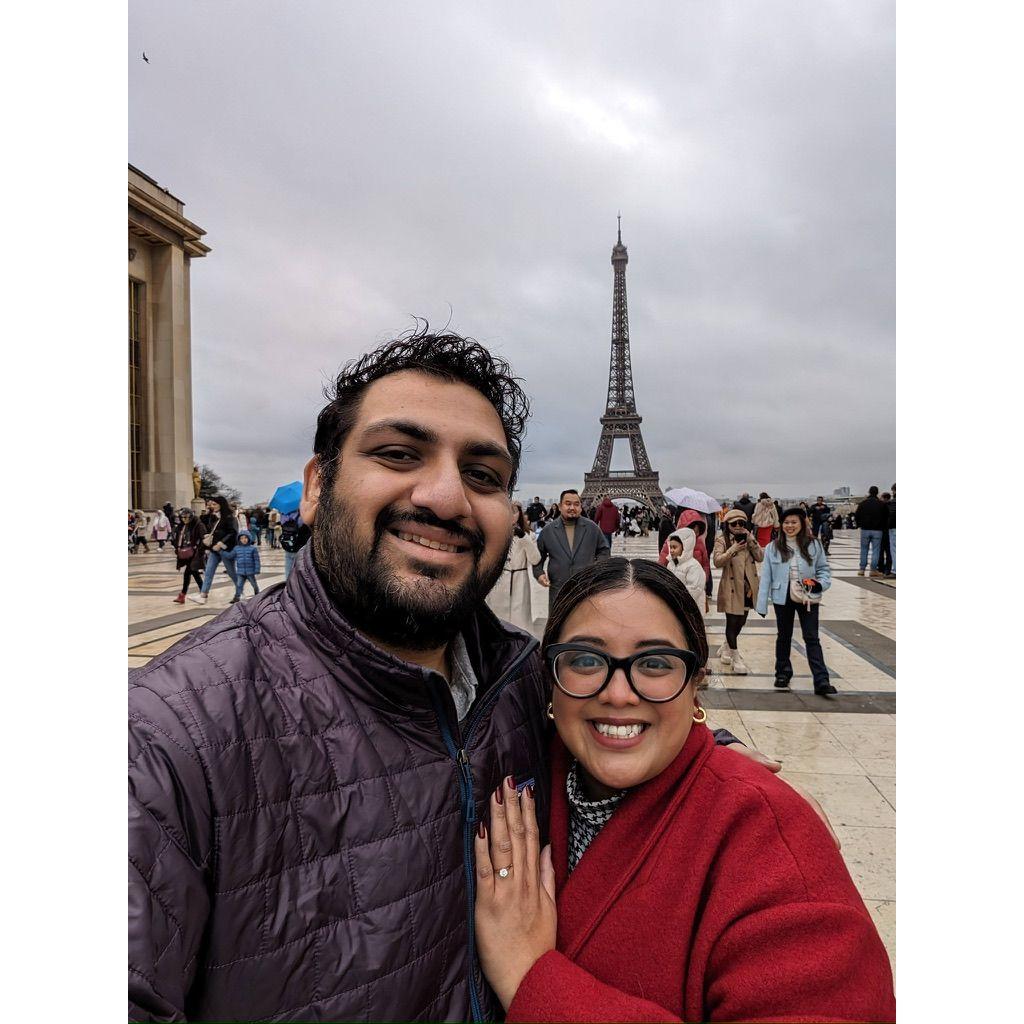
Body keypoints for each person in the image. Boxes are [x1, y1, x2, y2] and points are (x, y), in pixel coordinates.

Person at [128, 328, 832, 1021]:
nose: (445, 497)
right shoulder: (162, 741)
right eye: (399, 453)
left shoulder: (526, 679)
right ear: (317, 487)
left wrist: (713, 756)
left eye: (484, 475)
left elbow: (611, 730)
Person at [472, 558, 895, 1023]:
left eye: (655, 663)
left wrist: (532, 978)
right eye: (586, 659)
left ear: (696, 683)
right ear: (549, 681)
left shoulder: (768, 836)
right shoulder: (525, 763)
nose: (618, 693)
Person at [757, 507, 837, 695]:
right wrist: (761, 604)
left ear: (802, 524)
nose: (790, 526)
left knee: (811, 637)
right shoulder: (773, 547)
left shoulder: (814, 545)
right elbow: (766, 577)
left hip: (807, 595)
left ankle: (821, 679)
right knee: (783, 635)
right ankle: (782, 673)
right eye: (786, 523)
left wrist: (819, 584)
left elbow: (824, 570)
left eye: (794, 522)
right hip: (782, 596)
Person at [533, 489, 611, 609]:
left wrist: (596, 569)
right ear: (560, 506)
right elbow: (538, 555)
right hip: (558, 586)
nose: (572, 507)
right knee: (559, 623)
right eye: (568, 504)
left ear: (580, 507)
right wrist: (539, 573)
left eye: (576, 504)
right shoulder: (548, 531)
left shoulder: (592, 528)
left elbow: (604, 550)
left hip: (586, 586)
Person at [712, 508, 763, 674]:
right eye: (734, 523)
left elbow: (761, 557)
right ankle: (736, 657)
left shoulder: (749, 539)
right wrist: (732, 549)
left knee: (742, 621)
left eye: (742, 523)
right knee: (732, 622)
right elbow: (717, 562)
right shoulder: (722, 540)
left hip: (748, 587)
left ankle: (727, 645)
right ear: (727, 525)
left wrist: (752, 540)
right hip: (732, 587)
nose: (739, 526)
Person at [486, 503, 541, 632]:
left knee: (520, 619)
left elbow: (535, 559)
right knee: (497, 617)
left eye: (515, 511)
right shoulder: (495, 533)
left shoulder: (529, 535)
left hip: (519, 579)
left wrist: (523, 538)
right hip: (500, 579)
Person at [189, 495, 238, 604]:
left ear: (221, 505)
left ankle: (240, 591)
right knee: (209, 572)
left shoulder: (230, 518)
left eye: (215, 504)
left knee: (232, 572)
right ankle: (203, 595)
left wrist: (221, 543)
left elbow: (233, 532)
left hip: (225, 550)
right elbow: (214, 530)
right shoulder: (216, 517)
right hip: (214, 550)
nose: (212, 506)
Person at [664, 528, 705, 608]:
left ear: (685, 547)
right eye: (670, 547)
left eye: (675, 547)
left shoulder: (693, 566)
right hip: (676, 606)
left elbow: (694, 590)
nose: (671, 550)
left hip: (690, 608)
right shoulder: (671, 564)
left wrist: (674, 597)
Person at [171, 507, 205, 603]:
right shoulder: (181, 526)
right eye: (182, 517)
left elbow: (203, 538)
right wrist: (176, 546)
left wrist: (198, 549)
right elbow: (178, 537)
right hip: (184, 553)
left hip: (194, 553)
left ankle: (183, 595)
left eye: (187, 517)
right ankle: (203, 591)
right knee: (194, 573)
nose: (185, 519)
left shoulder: (198, 525)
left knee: (188, 572)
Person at [855, 485, 888, 577]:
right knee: (876, 550)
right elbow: (886, 517)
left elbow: (857, 515)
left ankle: (862, 569)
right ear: (877, 493)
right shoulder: (882, 504)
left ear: (869, 492)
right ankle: (873, 570)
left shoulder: (863, 503)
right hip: (878, 530)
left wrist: (859, 525)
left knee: (864, 549)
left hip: (865, 529)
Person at [230, 529, 261, 603]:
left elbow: (256, 560)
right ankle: (236, 597)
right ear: (239, 539)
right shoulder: (237, 549)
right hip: (240, 572)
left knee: (254, 584)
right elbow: (230, 555)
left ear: (249, 538)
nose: (244, 540)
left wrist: (257, 569)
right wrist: (222, 552)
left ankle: (257, 595)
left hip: (250, 571)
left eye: (245, 538)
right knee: (239, 585)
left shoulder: (253, 549)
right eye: (242, 538)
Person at [279, 514, 312, 578]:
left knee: (288, 569)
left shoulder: (284, 516)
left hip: (288, 547)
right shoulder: (303, 517)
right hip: (301, 547)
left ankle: (288, 584)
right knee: (302, 570)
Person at [877, 492, 893, 575]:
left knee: (881, 550)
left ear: (884, 498)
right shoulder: (892, 505)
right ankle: (888, 567)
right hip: (889, 530)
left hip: (882, 530)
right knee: (889, 550)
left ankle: (881, 567)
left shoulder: (881, 507)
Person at [887, 483, 896, 577]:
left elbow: (892, 516)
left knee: (895, 550)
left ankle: (895, 570)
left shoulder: (893, 503)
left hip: (894, 528)